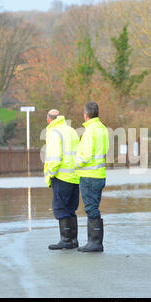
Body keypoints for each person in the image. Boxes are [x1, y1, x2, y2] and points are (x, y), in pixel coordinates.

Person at [75, 102, 109, 252]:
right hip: (99, 174)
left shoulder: (90, 131)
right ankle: (94, 242)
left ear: (86, 115)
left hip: (89, 175)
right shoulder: (102, 129)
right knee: (94, 207)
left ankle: (95, 243)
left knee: (91, 208)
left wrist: (76, 164)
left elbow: (86, 154)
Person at [44, 109, 80, 250]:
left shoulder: (54, 133)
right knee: (71, 208)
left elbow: (54, 157)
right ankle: (73, 240)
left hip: (61, 176)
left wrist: (50, 174)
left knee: (60, 207)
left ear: (49, 119)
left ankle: (65, 240)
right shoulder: (71, 130)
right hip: (74, 176)